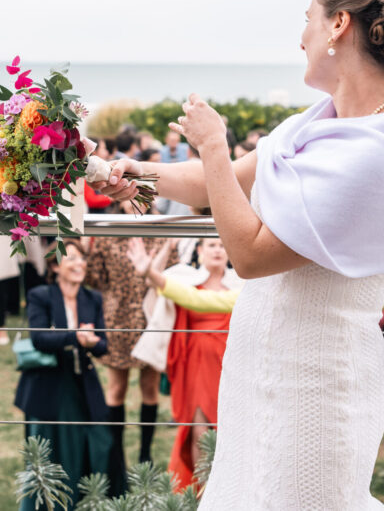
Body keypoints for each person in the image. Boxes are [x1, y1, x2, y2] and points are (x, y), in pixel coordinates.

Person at [94, 0, 384, 508]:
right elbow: (222, 187)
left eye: (308, 17)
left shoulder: (381, 151)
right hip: (258, 364)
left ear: (338, 25)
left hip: (318, 379)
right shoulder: (313, 123)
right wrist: (135, 174)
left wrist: (213, 144)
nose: (300, 35)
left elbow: (252, 255)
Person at [14, 239, 125, 509]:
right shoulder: (41, 295)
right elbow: (39, 338)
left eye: (81, 258)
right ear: (54, 264)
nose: (79, 264)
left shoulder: (92, 298)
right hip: (48, 386)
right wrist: (76, 337)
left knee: (97, 443)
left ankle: (87, 501)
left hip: (82, 384)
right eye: (71, 258)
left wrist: (91, 342)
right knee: (48, 452)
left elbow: (103, 346)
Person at [127, 237, 234, 491]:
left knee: (229, 431)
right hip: (196, 364)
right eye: (211, 245)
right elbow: (158, 290)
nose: (218, 249)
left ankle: (227, 490)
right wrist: (155, 262)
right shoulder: (186, 280)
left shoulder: (241, 284)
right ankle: (202, 493)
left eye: (222, 244)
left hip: (230, 365)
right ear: (199, 251)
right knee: (199, 431)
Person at [85, 199, 179, 464]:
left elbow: (173, 276)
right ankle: (116, 457)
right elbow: (94, 277)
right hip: (117, 319)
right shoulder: (108, 231)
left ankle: (145, 454)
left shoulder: (162, 231)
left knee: (149, 388)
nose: (133, 203)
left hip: (151, 318)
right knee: (116, 388)